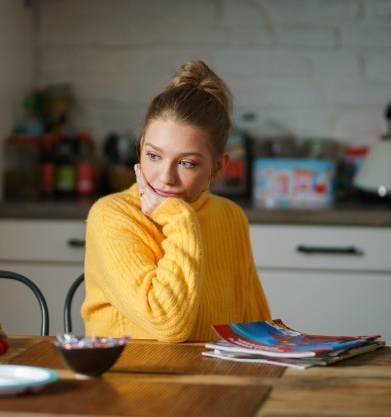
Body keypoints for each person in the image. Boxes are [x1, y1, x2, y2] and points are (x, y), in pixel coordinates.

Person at [81, 59, 271, 342]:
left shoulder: (231, 217)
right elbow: (167, 325)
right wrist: (180, 219)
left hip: (212, 380)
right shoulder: (111, 216)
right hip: (130, 382)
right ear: (140, 147)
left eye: (187, 163)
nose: (166, 177)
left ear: (218, 167)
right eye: (154, 156)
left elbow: (256, 329)